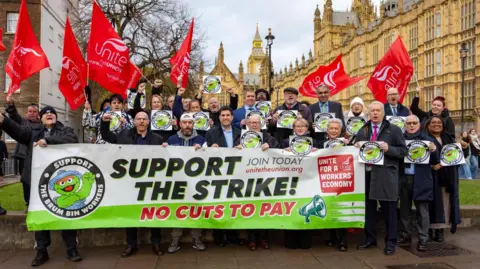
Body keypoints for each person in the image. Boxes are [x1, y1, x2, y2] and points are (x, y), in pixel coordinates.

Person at [0, 106, 81, 266]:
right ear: (41, 118)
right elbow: (17, 131)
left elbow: (72, 140)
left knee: (66, 215)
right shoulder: (32, 133)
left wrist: (48, 141)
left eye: (52, 113)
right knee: (40, 217)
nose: (49, 114)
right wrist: (4, 120)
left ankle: (72, 248)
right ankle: (41, 251)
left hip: (61, 184)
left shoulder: (66, 130)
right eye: (45, 113)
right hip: (37, 184)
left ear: (56, 117)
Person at [101, 111, 166, 257]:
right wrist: (105, 123)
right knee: (130, 213)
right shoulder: (124, 135)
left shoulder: (157, 138)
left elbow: (164, 158)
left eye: (144, 119)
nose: (141, 121)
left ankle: (156, 243)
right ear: (135, 121)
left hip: (150, 182)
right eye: (139, 119)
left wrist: (166, 149)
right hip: (129, 182)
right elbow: (107, 137)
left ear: (148, 122)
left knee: (153, 213)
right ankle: (131, 244)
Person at [354, 101, 407, 256]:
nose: (375, 113)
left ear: (383, 112)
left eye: (378, 110)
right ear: (368, 113)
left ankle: (391, 242)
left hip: (385, 175)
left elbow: (404, 151)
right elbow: (354, 149)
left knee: (389, 210)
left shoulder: (394, 130)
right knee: (368, 209)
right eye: (372, 111)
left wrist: (389, 148)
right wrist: (355, 146)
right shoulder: (363, 130)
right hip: (366, 173)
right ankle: (370, 239)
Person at [234, 114, 279, 250]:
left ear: (261, 124)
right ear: (247, 123)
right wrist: (237, 148)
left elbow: (276, 144)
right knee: (250, 209)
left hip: (264, 178)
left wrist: (269, 145)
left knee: (264, 209)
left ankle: (263, 239)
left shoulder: (266, 136)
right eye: (251, 122)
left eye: (256, 122)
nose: (254, 125)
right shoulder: (241, 136)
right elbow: (232, 148)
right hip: (247, 178)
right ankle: (252, 239)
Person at [397, 115, 439, 251]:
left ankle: (423, 239)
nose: (411, 125)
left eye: (414, 123)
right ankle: (405, 235)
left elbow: (436, 160)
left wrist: (434, 151)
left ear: (419, 124)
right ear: (405, 125)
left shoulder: (427, 139)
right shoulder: (400, 139)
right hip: (404, 178)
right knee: (404, 210)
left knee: (423, 211)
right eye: (408, 123)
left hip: (421, 179)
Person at [167, 113, 206, 253]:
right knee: (179, 210)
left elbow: (209, 157)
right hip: (178, 182)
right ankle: (175, 239)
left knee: (196, 210)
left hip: (196, 182)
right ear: (179, 124)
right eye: (185, 123)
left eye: (190, 123)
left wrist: (203, 149)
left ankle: (196, 238)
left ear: (193, 124)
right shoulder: (171, 139)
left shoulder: (201, 139)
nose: (187, 125)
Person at [205, 106, 242, 247]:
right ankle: (219, 236)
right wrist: (210, 148)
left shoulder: (240, 133)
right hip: (218, 173)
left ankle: (233, 235)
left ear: (232, 117)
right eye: (223, 115)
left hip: (236, 173)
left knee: (233, 205)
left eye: (228, 115)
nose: (225, 118)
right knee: (218, 205)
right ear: (219, 118)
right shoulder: (211, 133)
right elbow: (205, 151)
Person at [425, 116, 461, 242]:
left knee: (445, 203)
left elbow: (456, 154)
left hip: (447, 175)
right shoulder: (424, 139)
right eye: (433, 122)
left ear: (443, 125)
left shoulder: (448, 138)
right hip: (431, 176)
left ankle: (440, 230)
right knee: (432, 203)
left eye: (439, 122)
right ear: (428, 125)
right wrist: (431, 165)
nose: (436, 124)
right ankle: (429, 229)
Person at [318, 119, 350, 252]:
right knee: (329, 207)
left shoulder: (348, 144)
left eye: (336, 129)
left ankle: (343, 240)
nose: (333, 131)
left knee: (341, 209)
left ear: (340, 130)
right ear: (327, 130)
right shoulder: (321, 144)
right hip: (326, 180)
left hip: (342, 181)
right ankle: (332, 237)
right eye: (331, 128)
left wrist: (352, 146)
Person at [5, 98, 42, 208]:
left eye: (34, 112)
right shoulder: (23, 122)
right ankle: (28, 202)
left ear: (38, 114)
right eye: (30, 111)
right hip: (23, 156)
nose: (32, 113)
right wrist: (11, 104)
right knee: (26, 180)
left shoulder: (42, 125)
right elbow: (14, 116)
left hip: (38, 157)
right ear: (26, 113)